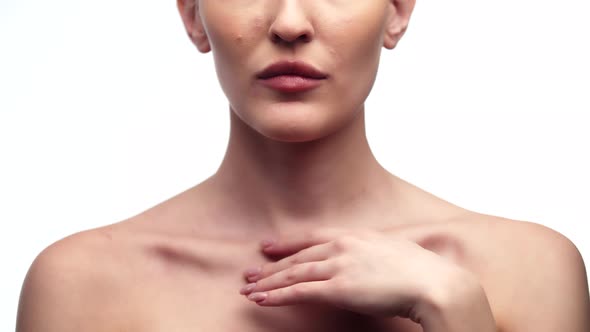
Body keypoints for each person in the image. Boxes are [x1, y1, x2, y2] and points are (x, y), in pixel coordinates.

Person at [15, 0, 590, 331]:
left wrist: (455, 309)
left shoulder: (529, 270)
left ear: (396, 11)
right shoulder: (81, 287)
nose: (290, 23)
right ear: (192, 15)